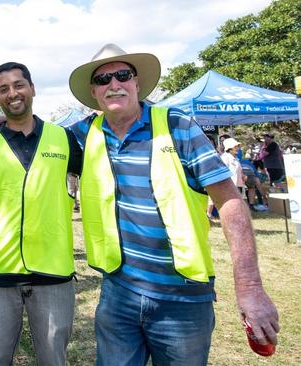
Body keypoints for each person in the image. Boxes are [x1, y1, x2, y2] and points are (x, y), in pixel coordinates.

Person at [66, 44, 279, 365]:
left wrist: (250, 287)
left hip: (182, 298)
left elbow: (231, 201)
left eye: (122, 75)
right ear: (94, 92)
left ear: (137, 83)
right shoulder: (83, 134)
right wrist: (3, 123)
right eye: (103, 79)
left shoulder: (178, 126)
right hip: (118, 292)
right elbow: (36, 137)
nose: (114, 84)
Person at [0, 62, 81, 365]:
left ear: (32, 89)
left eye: (19, 85)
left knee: (54, 360)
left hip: (53, 272)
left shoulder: (64, 138)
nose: (12, 93)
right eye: (3, 89)